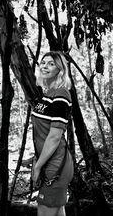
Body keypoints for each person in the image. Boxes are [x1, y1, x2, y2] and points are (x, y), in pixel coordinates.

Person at [31, 51, 74, 216]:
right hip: (50, 162)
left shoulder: (61, 94)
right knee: (57, 212)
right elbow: (43, 132)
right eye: (43, 62)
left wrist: (38, 166)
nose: (45, 66)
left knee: (44, 211)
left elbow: (55, 136)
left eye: (51, 64)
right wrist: (34, 158)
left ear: (60, 70)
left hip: (56, 166)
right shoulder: (46, 95)